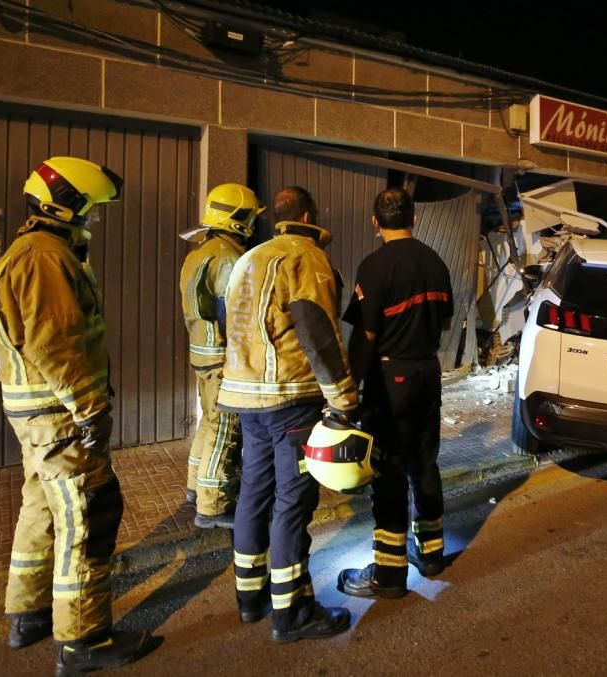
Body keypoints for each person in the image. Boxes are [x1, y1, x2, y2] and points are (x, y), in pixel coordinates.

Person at [0, 157, 160, 674]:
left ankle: (29, 613)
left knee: (41, 510)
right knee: (88, 513)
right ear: (65, 202)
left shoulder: (32, 251)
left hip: (38, 414)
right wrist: (88, 408)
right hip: (59, 414)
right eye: (89, 208)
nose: (91, 219)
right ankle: (85, 639)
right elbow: (55, 342)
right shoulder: (43, 257)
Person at [217, 186, 358, 642]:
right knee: (292, 503)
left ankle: (249, 599)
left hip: (245, 398)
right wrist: (343, 400)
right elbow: (317, 330)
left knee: (253, 493)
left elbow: (227, 318)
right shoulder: (306, 256)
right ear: (310, 215)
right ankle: (292, 613)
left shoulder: (249, 258)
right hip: (290, 399)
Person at [337, 187, 454, 599]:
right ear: (413, 219)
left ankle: (388, 575)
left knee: (388, 472)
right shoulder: (436, 263)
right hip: (428, 372)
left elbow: (365, 336)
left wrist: (349, 386)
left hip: (391, 380)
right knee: (425, 463)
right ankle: (433, 554)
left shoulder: (373, 267)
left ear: (375, 222)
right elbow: (443, 324)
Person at [179, 183, 264, 529]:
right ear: (238, 218)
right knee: (225, 429)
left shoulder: (200, 251)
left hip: (202, 353)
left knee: (208, 423)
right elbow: (234, 312)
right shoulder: (228, 257)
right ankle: (212, 506)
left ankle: (194, 486)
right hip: (221, 357)